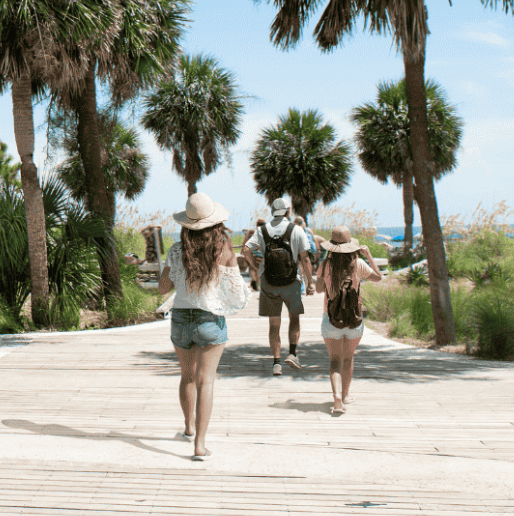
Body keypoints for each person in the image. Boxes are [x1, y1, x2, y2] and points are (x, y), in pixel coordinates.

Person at [159, 192, 249, 461]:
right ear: (215, 223)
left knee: (187, 376)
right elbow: (238, 293)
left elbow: (163, 288)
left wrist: (172, 273)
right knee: (205, 382)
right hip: (210, 319)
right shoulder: (223, 251)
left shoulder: (176, 251)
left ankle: (187, 428)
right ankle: (199, 445)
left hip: (181, 320)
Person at [240, 198, 316, 376]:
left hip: (269, 281)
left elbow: (245, 250)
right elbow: (305, 258)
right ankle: (292, 354)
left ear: (272, 211)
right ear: (288, 212)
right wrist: (310, 282)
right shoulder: (296, 230)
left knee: (274, 324)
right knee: (294, 319)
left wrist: (256, 268)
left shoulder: (262, 230)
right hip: (292, 281)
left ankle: (276, 363)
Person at [317, 226, 383, 414]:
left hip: (330, 319)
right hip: (355, 319)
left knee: (335, 361)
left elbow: (320, 289)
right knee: (348, 358)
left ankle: (337, 397)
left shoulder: (326, 264)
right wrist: (369, 255)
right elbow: (379, 278)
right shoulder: (358, 263)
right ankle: (345, 395)